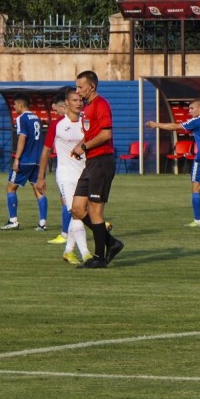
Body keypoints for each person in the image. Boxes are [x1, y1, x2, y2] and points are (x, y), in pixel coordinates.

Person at [147, 100, 200, 227]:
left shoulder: (197, 121)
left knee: (196, 189)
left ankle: (197, 221)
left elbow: (175, 127)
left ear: (199, 108)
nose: (189, 111)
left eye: (191, 108)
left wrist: (156, 124)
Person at [72, 71, 124, 269]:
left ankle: (99, 257)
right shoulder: (88, 108)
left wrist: (84, 147)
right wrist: (80, 145)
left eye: (80, 87)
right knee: (77, 207)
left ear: (91, 87)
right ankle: (111, 243)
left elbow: (105, 134)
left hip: (102, 162)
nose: (78, 91)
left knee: (95, 210)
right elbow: (92, 133)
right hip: (91, 162)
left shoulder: (101, 104)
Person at [37, 87, 91, 265]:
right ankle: (86, 254)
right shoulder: (57, 125)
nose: (79, 103)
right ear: (67, 103)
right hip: (66, 175)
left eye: (80, 100)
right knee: (77, 212)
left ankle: (68, 251)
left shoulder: (86, 122)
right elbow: (46, 151)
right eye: (75, 100)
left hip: (84, 174)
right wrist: (41, 177)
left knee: (80, 213)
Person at [1, 94, 49, 232]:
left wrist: (17, 158)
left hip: (25, 160)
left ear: (21, 105)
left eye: (15, 105)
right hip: (38, 160)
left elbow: (22, 139)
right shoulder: (36, 118)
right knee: (38, 190)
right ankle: (42, 223)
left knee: (10, 188)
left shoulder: (21, 118)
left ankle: (13, 221)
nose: (14, 107)